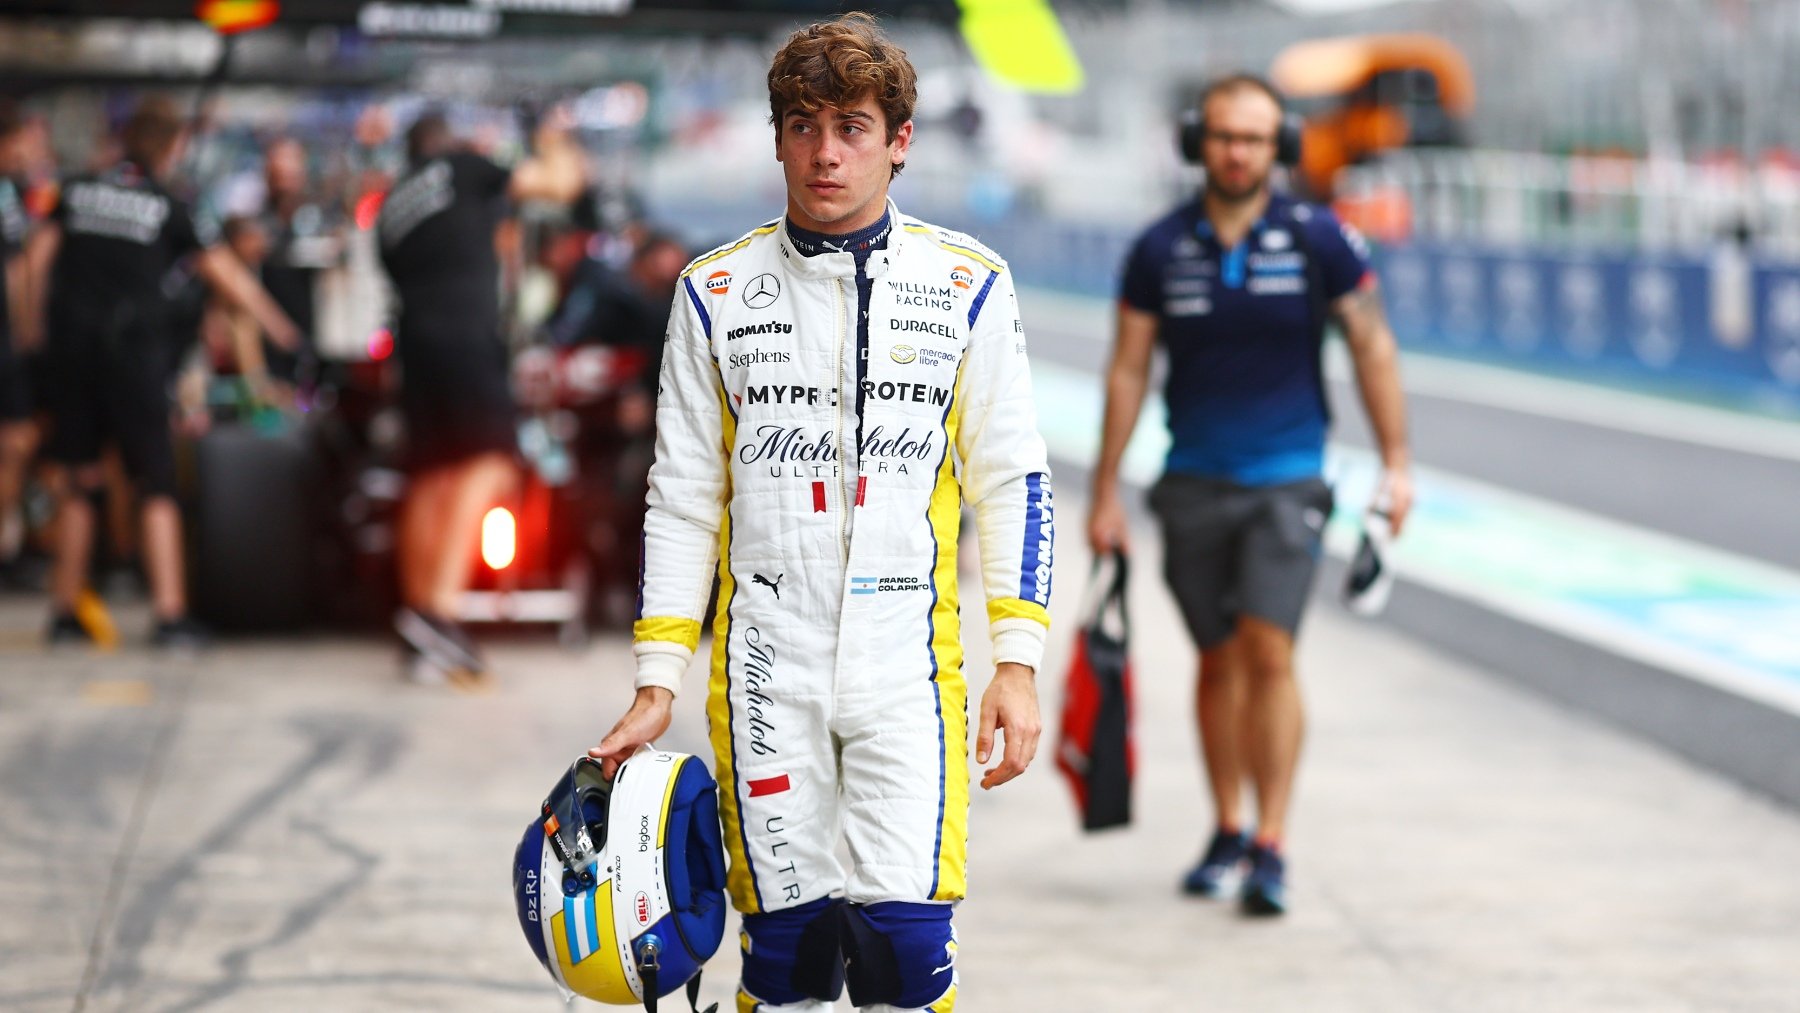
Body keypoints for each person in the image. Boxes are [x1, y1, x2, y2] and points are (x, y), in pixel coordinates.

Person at [588, 15, 1052, 1012]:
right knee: (789, 956)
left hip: (907, 663)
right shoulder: (712, 292)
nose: (827, 151)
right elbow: (680, 494)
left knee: (902, 948)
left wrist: (1017, 662)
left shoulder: (969, 285)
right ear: (777, 137)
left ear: (900, 140)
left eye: (852, 125)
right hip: (764, 658)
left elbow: (1010, 478)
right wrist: (658, 676)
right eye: (804, 125)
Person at [1086, 74, 1414, 916]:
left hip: (1288, 479)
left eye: (1256, 139)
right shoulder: (1159, 247)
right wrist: (1105, 490)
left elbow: (1373, 347)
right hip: (1192, 478)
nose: (1239, 152)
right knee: (1217, 657)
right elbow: (1128, 368)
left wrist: (1397, 463)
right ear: (1201, 144)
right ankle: (1226, 825)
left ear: (1282, 148)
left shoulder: (1321, 239)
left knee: (1270, 651)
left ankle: (1272, 841)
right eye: (1225, 136)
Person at [18, 96, 300, 647]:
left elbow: (35, 260)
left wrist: (32, 331)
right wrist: (283, 330)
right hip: (133, 355)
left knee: (80, 477)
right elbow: (227, 275)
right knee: (156, 481)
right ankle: (170, 615)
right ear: (173, 147)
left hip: (73, 354)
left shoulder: (75, 192)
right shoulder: (169, 204)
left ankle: (62, 613)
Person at [376, 107, 585, 681]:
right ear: (445, 144)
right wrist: (552, 134)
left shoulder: (392, 207)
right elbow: (560, 183)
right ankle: (442, 614)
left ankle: (418, 621)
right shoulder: (463, 168)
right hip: (465, 336)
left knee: (432, 475)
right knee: (492, 462)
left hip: (413, 346)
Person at [0, 104, 39, 575]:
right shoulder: (6, 192)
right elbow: (15, 270)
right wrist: (28, 330)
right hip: (4, 342)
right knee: (18, 440)